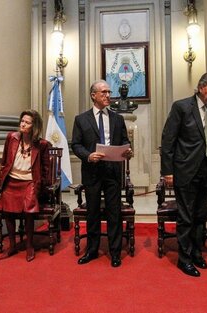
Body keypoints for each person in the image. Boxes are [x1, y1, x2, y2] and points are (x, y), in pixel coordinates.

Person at [160, 71, 207, 277]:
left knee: (200, 216)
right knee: (186, 218)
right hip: (185, 170)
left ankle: (196, 253)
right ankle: (184, 259)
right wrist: (167, 171)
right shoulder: (182, 107)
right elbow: (168, 140)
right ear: (201, 87)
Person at [71, 79, 132, 268]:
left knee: (114, 213)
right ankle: (92, 250)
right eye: (103, 92)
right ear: (93, 95)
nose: (108, 95)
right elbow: (76, 145)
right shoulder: (81, 119)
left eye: (108, 92)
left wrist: (127, 151)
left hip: (113, 172)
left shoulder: (117, 118)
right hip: (92, 172)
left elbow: (124, 141)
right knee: (93, 213)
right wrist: (89, 156)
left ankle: (115, 253)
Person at [0, 110, 51, 262]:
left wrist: (43, 186)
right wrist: (2, 179)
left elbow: (46, 168)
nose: (23, 124)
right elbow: (4, 160)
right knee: (7, 213)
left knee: (28, 213)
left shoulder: (42, 145)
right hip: (12, 181)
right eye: (22, 121)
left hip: (29, 182)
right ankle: (12, 245)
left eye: (27, 122)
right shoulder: (11, 138)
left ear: (35, 126)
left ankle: (29, 246)